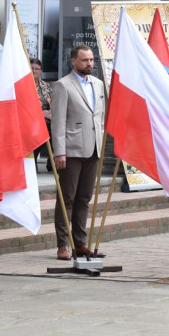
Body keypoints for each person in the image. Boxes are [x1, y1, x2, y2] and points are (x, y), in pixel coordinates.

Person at [50, 45, 107, 260]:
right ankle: (63, 244)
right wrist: (59, 151)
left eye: (91, 60)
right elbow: (58, 122)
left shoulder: (98, 84)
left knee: (84, 198)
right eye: (84, 60)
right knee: (67, 198)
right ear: (74, 61)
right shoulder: (63, 85)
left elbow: (99, 117)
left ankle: (80, 243)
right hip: (72, 149)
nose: (89, 64)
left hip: (93, 147)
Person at [31, 58, 53, 165]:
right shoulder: (23, 84)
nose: (34, 71)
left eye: (37, 69)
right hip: (31, 117)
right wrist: (41, 113)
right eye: (32, 68)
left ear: (41, 71)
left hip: (46, 116)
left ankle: (53, 158)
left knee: (60, 126)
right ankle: (34, 156)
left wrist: (51, 112)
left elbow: (52, 101)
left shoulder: (45, 85)